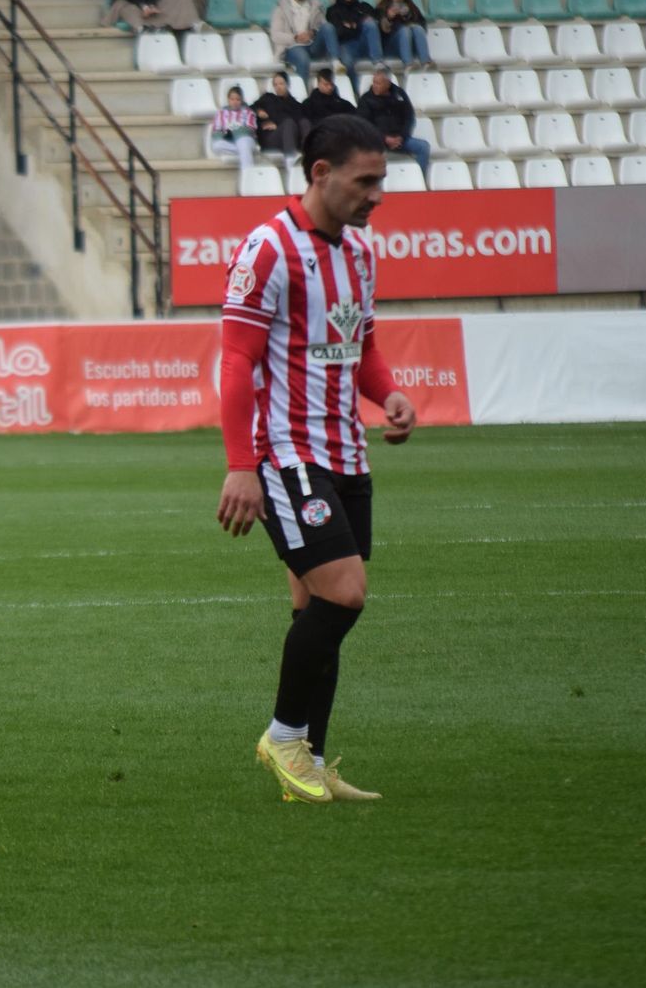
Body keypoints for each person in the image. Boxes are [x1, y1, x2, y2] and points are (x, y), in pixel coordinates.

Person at [216, 113, 418, 805]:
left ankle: (312, 761)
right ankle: (282, 736)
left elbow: (359, 348)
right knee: (344, 592)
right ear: (320, 174)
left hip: (344, 453)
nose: (377, 196)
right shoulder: (269, 249)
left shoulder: (359, 253)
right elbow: (237, 362)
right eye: (366, 181)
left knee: (315, 608)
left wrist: (389, 394)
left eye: (382, 181)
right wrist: (242, 464)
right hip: (284, 454)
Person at [357, 67, 430, 174]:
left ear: (387, 83)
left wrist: (401, 137)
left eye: (378, 83)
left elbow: (409, 117)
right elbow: (364, 125)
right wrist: (385, 138)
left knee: (423, 147)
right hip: (377, 141)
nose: (374, 86)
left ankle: (420, 178)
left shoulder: (400, 94)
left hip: (400, 140)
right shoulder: (366, 99)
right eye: (374, 82)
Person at [271, 0, 339, 86]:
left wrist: (313, 32)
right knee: (303, 60)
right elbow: (275, 35)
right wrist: (295, 37)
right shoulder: (281, 9)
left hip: (312, 44)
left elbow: (322, 26)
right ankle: (303, 95)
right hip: (292, 46)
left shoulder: (315, 6)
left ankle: (336, 62)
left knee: (328, 27)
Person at [327, 0, 383, 82]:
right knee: (347, 63)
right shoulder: (333, 10)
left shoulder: (364, 6)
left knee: (370, 24)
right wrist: (358, 25)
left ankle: (377, 62)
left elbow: (376, 24)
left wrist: (352, 25)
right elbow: (339, 33)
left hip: (363, 42)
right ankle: (355, 93)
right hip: (346, 45)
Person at [253, 72, 308, 166]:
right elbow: (251, 107)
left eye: (281, 84)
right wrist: (259, 111)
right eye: (275, 85)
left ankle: (310, 156)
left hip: (290, 135)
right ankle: (290, 162)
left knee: (304, 122)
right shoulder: (268, 98)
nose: (278, 87)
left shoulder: (295, 104)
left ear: (287, 84)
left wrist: (277, 124)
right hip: (271, 138)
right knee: (288, 123)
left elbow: (298, 122)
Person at [376, 0, 430, 70]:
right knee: (404, 31)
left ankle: (426, 62)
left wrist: (408, 17)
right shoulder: (382, 7)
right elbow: (378, 32)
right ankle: (408, 65)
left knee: (417, 28)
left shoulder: (411, 9)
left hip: (410, 45)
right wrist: (388, 18)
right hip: (390, 46)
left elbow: (423, 26)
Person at [211, 85, 259, 170]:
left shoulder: (248, 112)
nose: (235, 102)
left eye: (238, 99)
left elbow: (251, 129)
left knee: (243, 142)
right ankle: (245, 151)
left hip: (245, 138)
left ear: (241, 100)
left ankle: (247, 173)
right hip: (229, 141)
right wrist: (225, 133)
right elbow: (216, 130)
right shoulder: (221, 113)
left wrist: (238, 130)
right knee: (216, 145)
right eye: (232, 99)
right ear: (228, 100)